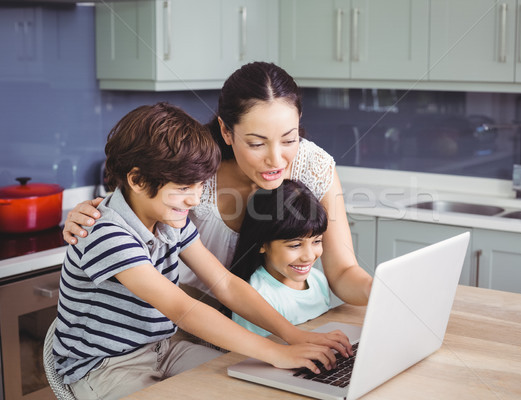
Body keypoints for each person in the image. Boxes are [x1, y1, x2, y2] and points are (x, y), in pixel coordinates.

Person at [53, 103, 351, 400]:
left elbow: (226, 284)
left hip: (164, 348)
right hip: (106, 366)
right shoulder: (106, 233)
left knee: (252, 387)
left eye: (198, 186)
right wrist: (277, 352)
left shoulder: (169, 220)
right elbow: (183, 309)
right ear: (138, 180)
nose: (194, 199)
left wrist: (294, 336)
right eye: (184, 188)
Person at [63, 61, 372, 308]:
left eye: (289, 139)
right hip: (190, 321)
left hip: (275, 316)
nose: (276, 160)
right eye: (256, 144)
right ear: (226, 131)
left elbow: (343, 273)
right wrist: (92, 212)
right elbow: (134, 204)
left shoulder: (314, 167)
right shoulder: (193, 171)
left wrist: (383, 293)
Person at [230, 180, 330, 336]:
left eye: (316, 241)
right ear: (262, 243)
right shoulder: (257, 296)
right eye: (295, 245)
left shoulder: (319, 281)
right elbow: (250, 357)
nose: (309, 256)